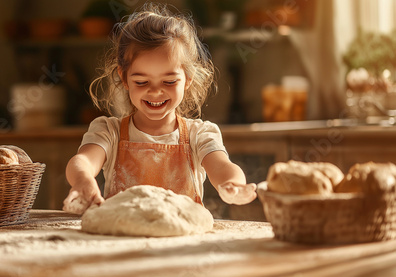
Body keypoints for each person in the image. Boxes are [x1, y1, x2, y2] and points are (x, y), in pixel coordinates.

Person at [63, 3, 256, 214]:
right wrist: (82, 179)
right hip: (121, 240)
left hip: (182, 242)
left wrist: (232, 185)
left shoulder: (198, 135)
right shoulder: (109, 132)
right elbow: (83, 161)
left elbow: (222, 167)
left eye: (169, 82)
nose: (155, 92)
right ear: (124, 78)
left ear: (188, 79)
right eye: (142, 82)